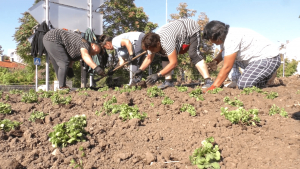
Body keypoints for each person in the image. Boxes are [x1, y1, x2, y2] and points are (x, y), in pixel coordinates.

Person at [133, 18, 213, 89]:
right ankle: (168, 82)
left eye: (153, 50)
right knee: (164, 56)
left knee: (193, 54)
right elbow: (149, 58)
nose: (152, 52)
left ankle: (208, 81)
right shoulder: (151, 44)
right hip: (177, 31)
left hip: (191, 29)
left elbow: (174, 63)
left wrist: (158, 75)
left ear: (158, 43)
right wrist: (140, 70)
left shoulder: (167, 41)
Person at [202, 20, 281, 92]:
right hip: (253, 60)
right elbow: (224, 54)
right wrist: (214, 62)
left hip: (269, 58)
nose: (211, 42)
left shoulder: (231, 38)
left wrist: (213, 87)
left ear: (216, 36)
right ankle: (236, 81)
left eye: (209, 39)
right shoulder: (224, 37)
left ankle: (268, 78)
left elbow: (227, 67)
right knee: (227, 56)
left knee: (244, 85)